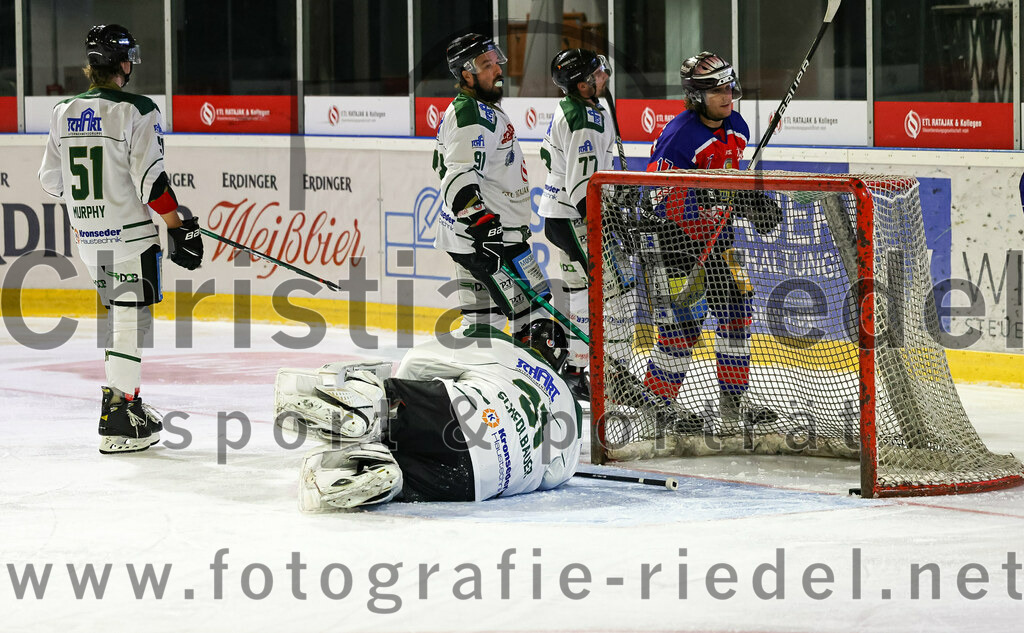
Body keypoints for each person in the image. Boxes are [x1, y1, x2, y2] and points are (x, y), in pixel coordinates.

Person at [38, 24, 204, 454]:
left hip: (89, 238)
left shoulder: (62, 111)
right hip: (130, 238)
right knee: (130, 324)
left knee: (121, 320)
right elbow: (152, 181)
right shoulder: (138, 110)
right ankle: (119, 418)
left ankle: (125, 401)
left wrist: (94, 202)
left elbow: (51, 182)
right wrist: (176, 224)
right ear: (122, 62)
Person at [274, 320, 583, 510]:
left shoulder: (503, 346)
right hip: (476, 482)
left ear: (524, 340)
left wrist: (400, 402)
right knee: (396, 475)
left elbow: (418, 359)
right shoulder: (568, 403)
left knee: (381, 393)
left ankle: (366, 410)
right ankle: (363, 476)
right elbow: (555, 475)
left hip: (459, 415)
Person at [641, 51, 782, 433]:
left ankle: (733, 401)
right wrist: (711, 197)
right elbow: (659, 199)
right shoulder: (678, 137)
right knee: (682, 327)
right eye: (716, 90)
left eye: (728, 87)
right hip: (675, 241)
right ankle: (658, 404)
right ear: (695, 96)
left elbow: (733, 180)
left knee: (737, 314)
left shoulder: (738, 127)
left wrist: (753, 202)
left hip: (721, 239)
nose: (727, 95)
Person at [433, 33, 551, 334]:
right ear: (466, 74)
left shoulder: (481, 106)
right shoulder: (470, 114)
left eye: (496, 61)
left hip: (473, 237)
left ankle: (478, 379)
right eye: (487, 65)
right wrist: (485, 227)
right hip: (489, 240)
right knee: (537, 327)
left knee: (484, 326)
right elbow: (459, 179)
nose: (497, 70)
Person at [537, 49, 616, 402]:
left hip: (560, 213)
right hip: (572, 216)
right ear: (582, 84)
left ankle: (574, 370)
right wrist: (600, 219)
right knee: (607, 288)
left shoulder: (582, 107)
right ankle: (597, 370)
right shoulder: (584, 118)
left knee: (580, 291)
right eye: (598, 72)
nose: (605, 74)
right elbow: (583, 185)